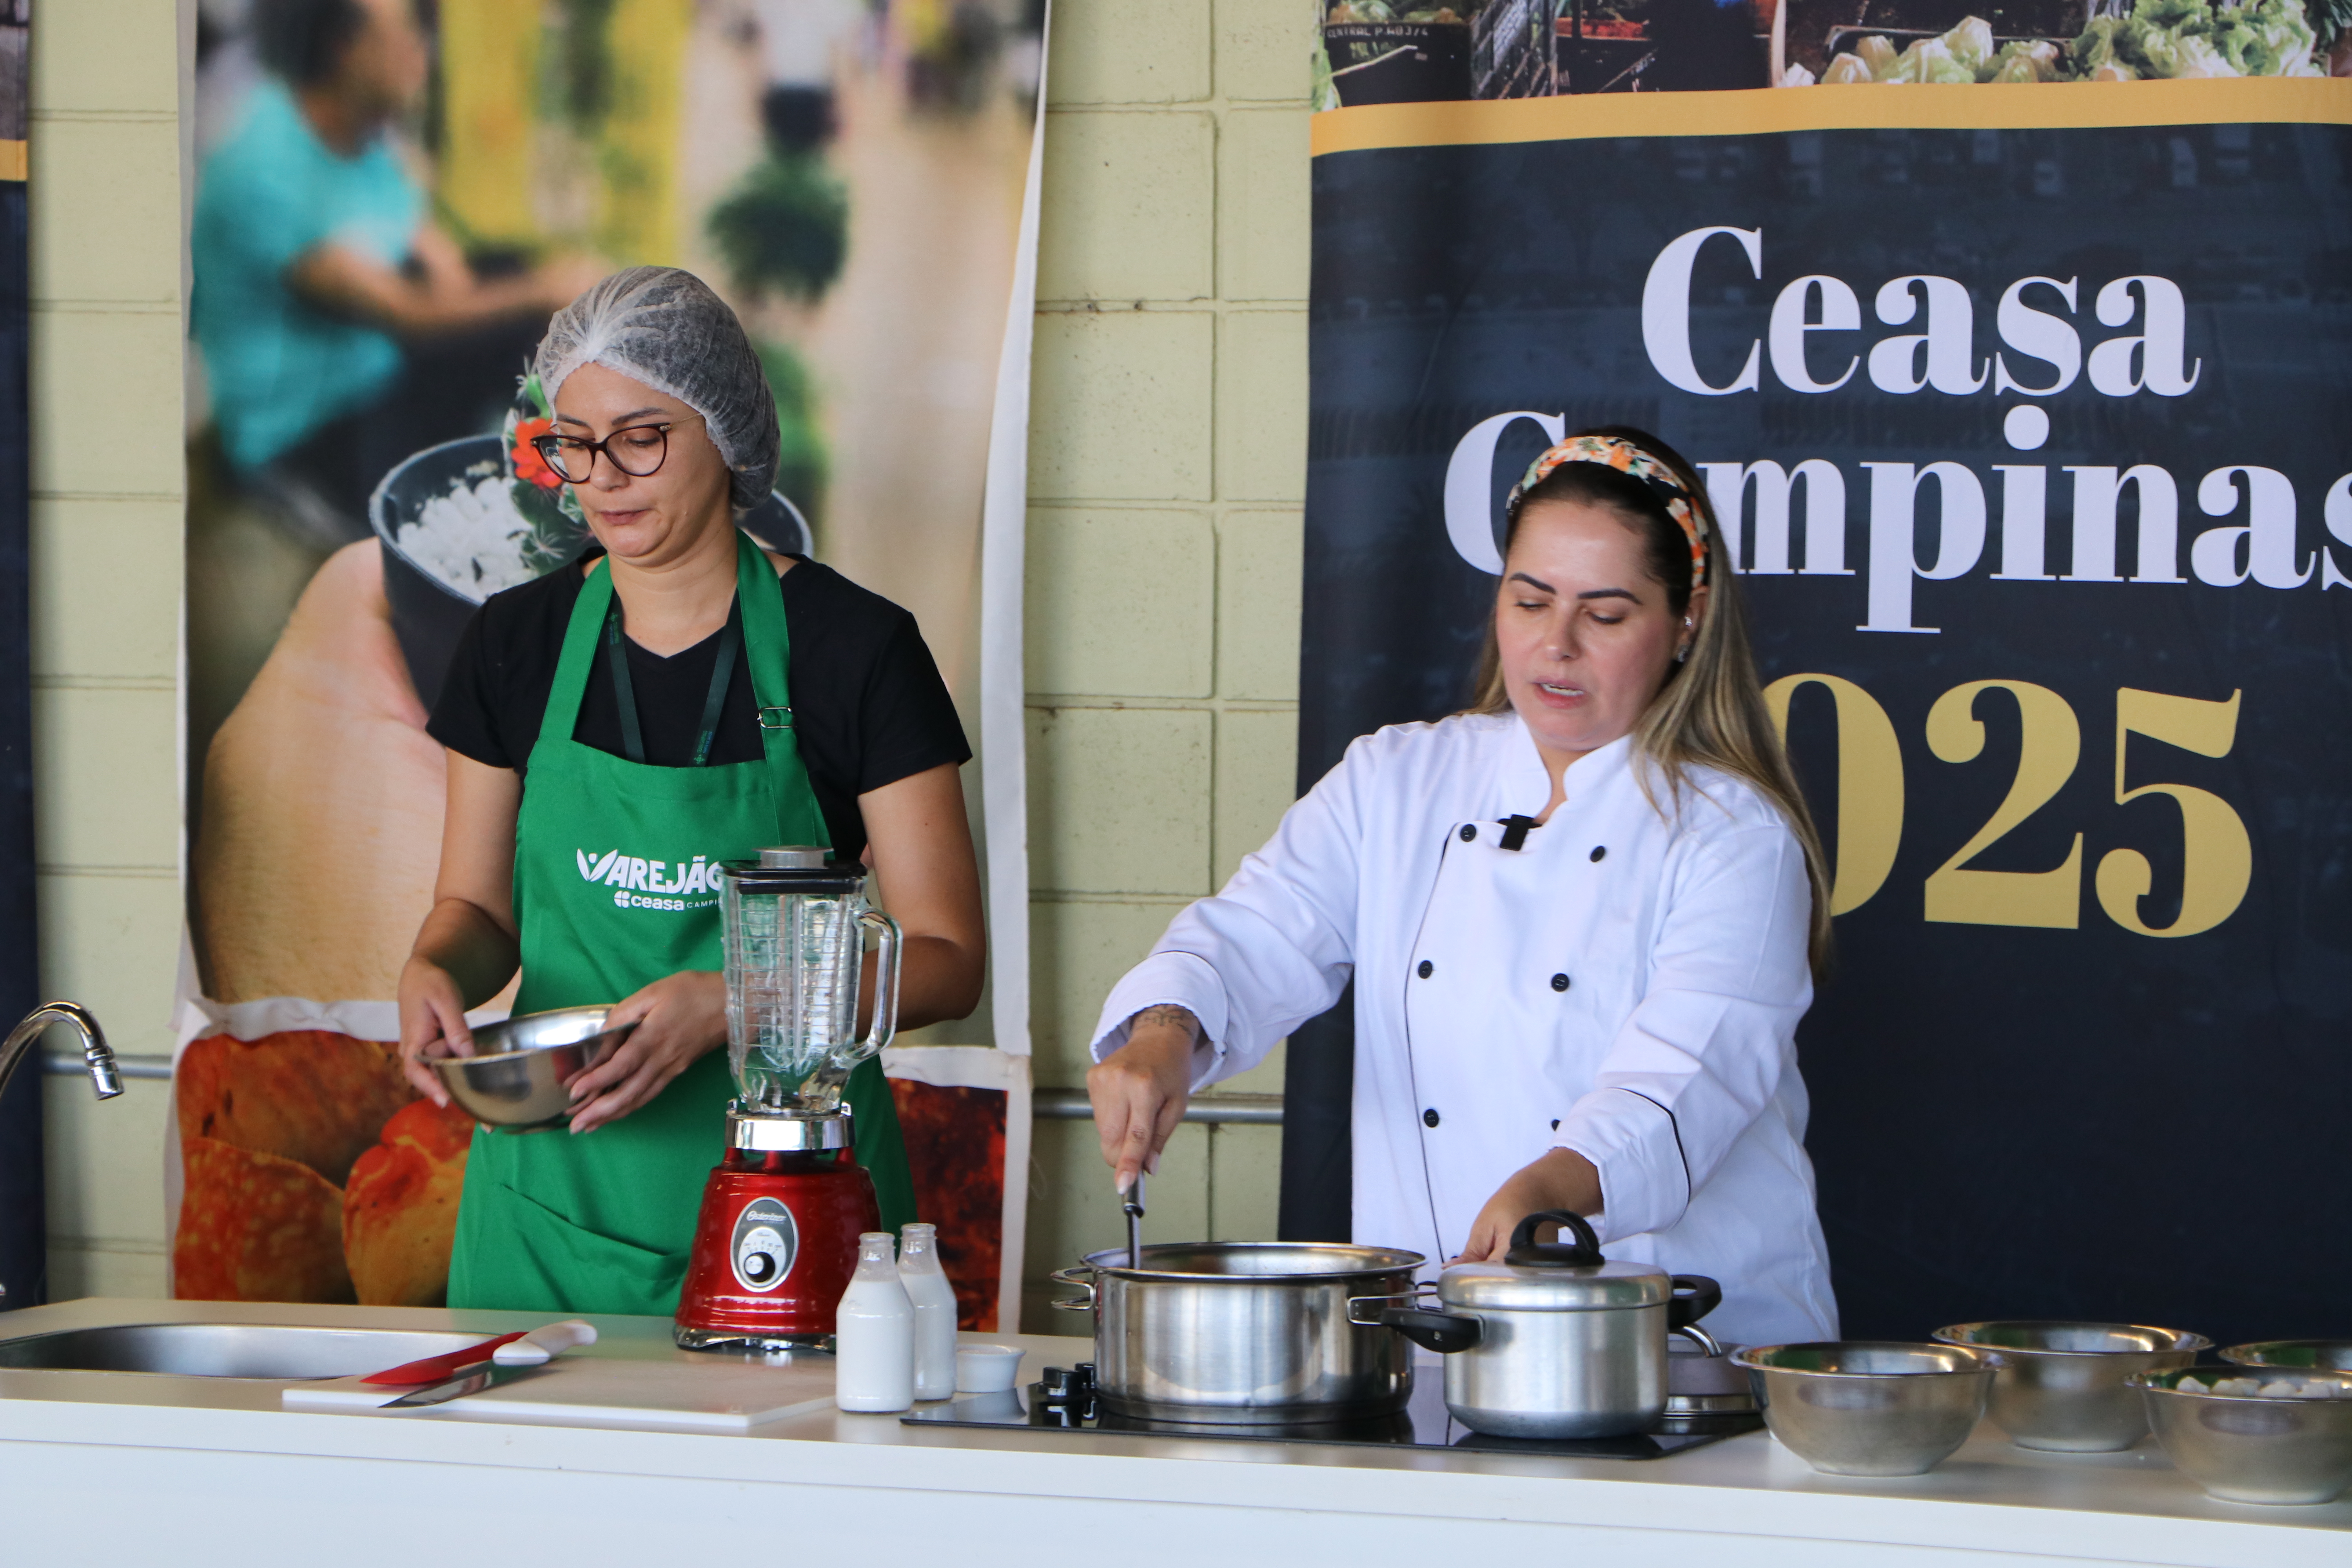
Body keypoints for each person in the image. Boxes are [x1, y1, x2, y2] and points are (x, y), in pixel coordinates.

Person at [1085, 428, 1839, 1347]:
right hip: (1441, 1340)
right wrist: (1164, 1035)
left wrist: (1551, 1187)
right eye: (1530, 600)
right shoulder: (1397, 779)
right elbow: (1255, 934)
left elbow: (1685, 1078)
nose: (1557, 644)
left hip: (1682, 1347)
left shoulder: (1733, 835)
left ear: (1688, 621)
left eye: (1605, 615)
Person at [396, 267, 985, 1316]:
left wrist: (741, 1003)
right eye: (576, 443)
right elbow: (478, 910)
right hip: (549, 1214)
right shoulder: (513, 643)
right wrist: (435, 966)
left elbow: (947, 959)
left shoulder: (856, 648)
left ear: (726, 431)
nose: (604, 478)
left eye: (642, 438)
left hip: (794, 1203)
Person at [191, 0, 599, 541]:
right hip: (308, 428)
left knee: (514, 280)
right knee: (527, 304)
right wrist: (541, 289)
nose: (423, 52)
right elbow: (406, 313)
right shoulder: (262, 167)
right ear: (344, 48)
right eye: (408, 34)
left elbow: (433, 251)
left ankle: (564, 481)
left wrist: (494, 275)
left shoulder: (363, 127)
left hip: (376, 370)